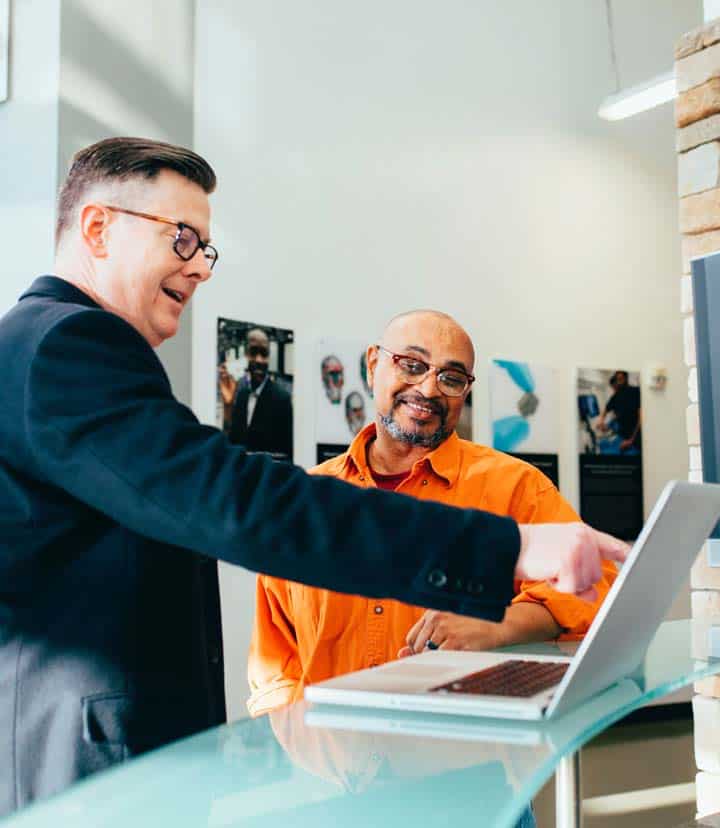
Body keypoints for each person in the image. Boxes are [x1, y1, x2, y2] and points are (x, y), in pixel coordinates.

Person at [0, 137, 626, 815]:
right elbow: (237, 506)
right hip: (105, 766)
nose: (201, 268)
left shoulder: (41, 346)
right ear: (97, 227)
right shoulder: (70, 345)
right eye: (183, 239)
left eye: (206, 249)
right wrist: (511, 548)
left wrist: (503, 622)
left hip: (459, 781)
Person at [247, 311, 619, 716]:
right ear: (373, 366)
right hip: (332, 764)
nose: (428, 389)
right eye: (411, 365)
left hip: (464, 759)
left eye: (451, 378)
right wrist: (298, 750)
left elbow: (598, 588)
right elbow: (275, 663)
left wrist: (499, 624)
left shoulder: (516, 487)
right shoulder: (308, 501)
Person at [219, 327, 293, 460]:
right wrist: (228, 406)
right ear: (246, 355)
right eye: (253, 352)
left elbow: (286, 454)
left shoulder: (282, 399)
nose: (259, 360)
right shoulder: (241, 394)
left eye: (264, 354)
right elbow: (231, 443)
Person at [597, 370, 642, 454]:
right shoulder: (616, 396)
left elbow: (641, 419)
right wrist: (601, 421)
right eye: (618, 380)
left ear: (626, 378)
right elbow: (606, 409)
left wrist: (631, 440)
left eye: (621, 379)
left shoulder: (636, 392)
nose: (619, 382)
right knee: (603, 445)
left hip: (634, 439)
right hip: (622, 437)